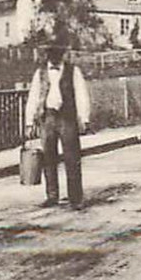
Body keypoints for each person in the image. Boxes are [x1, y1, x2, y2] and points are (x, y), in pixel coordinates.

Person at [26, 44, 92, 208]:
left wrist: (84, 118)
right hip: (47, 117)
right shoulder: (40, 73)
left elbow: (81, 94)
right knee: (48, 158)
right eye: (51, 53)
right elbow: (33, 97)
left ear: (62, 54)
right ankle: (52, 195)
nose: (54, 57)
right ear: (47, 55)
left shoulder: (73, 71)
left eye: (57, 53)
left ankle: (75, 198)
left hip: (67, 118)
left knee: (72, 157)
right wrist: (29, 122)